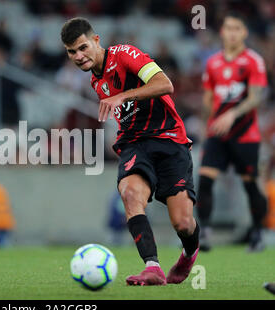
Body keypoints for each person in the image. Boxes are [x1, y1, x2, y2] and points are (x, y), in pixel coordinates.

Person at [60, 17, 199, 286]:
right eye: (71, 52)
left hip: (169, 139)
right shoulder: (96, 82)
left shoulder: (124, 54)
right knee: (130, 193)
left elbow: (165, 84)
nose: (78, 56)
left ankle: (189, 253)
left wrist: (123, 95)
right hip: (135, 143)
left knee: (183, 223)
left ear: (96, 40)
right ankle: (152, 268)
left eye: (82, 47)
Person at [198, 12, 268, 252]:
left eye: (237, 28)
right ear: (222, 32)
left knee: (250, 184)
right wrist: (210, 119)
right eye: (228, 28)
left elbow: (255, 98)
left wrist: (231, 114)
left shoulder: (253, 61)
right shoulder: (213, 63)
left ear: (244, 33)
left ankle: (257, 233)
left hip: (245, 134)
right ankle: (204, 233)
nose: (232, 32)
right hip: (217, 133)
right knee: (205, 180)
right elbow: (208, 98)